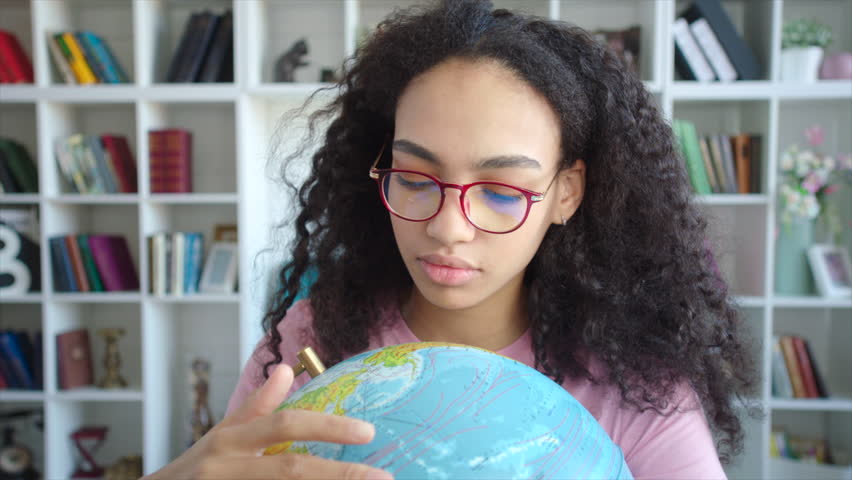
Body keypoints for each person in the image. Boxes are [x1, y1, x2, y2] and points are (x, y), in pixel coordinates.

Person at [144, 1, 758, 479]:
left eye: (500, 190)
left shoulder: (634, 387)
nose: (446, 227)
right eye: (414, 177)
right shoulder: (309, 341)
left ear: (566, 193)